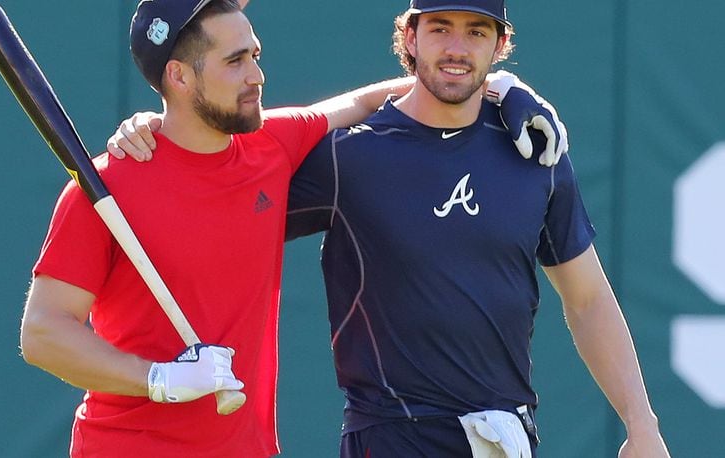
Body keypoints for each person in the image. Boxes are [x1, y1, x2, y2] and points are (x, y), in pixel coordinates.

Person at [87, 2, 569, 458]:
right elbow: (43, 332)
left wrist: (501, 86)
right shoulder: (113, 183)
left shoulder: (272, 144)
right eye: (235, 61)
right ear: (178, 76)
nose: (257, 75)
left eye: (253, 56)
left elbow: (365, 100)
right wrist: (160, 380)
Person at [282, 1, 671, 457]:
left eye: (476, 33)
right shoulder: (350, 156)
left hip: (506, 436)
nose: (456, 48)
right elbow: (238, 199)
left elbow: (588, 299)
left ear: (501, 45)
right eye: (440, 29)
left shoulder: (535, 151)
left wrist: (642, 423)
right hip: (393, 436)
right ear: (410, 37)